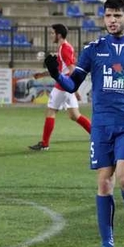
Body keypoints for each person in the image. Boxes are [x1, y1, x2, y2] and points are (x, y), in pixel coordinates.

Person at [44, 0, 124, 247]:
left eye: (117, 16)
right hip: (102, 125)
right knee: (104, 183)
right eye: (108, 15)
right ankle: (107, 244)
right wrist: (56, 75)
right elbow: (72, 84)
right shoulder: (93, 49)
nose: (112, 20)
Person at [29, 23, 91, 151]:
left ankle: (44, 144)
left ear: (59, 35)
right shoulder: (63, 48)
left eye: (53, 33)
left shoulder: (65, 48)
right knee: (75, 115)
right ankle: (97, 136)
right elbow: (57, 70)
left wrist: (75, 88)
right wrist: (42, 74)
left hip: (63, 86)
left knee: (51, 111)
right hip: (67, 86)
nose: (51, 35)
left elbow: (72, 69)